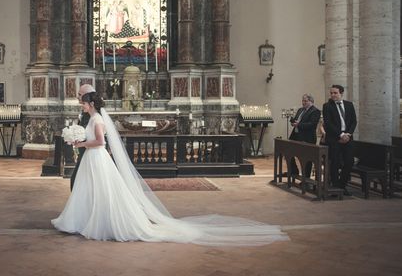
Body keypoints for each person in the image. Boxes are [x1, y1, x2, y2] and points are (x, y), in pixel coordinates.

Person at [52, 92, 287, 245]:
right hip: (93, 159)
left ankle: (97, 220)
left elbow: (101, 142)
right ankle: (83, 219)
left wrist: (80, 142)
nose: (81, 106)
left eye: (83, 102)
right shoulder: (93, 118)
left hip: (96, 157)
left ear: (90, 104)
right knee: (91, 190)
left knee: (103, 191)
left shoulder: (98, 120)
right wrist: (80, 140)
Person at [322, 84, 357, 196]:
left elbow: (353, 121)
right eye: (331, 93)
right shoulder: (327, 106)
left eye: (335, 93)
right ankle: (335, 187)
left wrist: (348, 134)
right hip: (334, 139)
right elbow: (328, 124)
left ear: (341, 93)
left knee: (349, 162)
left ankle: (342, 186)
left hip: (348, 138)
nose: (333, 95)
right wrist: (341, 135)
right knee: (335, 163)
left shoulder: (349, 105)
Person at [69, 83, 95, 191]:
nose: (77, 97)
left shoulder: (93, 115)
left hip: (90, 152)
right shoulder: (85, 111)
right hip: (84, 150)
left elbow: (99, 139)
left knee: (78, 180)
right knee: (78, 180)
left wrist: (79, 138)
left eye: (80, 94)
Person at [288, 94, 321, 178]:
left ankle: (306, 178)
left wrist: (298, 124)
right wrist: (293, 121)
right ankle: (294, 171)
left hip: (307, 137)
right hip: (296, 136)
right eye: (303, 100)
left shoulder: (315, 111)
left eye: (305, 101)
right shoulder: (300, 110)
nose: (303, 102)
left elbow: (312, 125)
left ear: (311, 101)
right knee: (289, 154)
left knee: (306, 159)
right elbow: (296, 120)